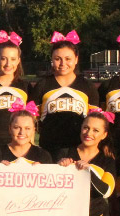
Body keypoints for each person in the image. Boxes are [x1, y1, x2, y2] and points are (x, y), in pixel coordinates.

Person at [56, 110, 116, 216]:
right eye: (86, 128)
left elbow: (106, 191)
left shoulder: (107, 160)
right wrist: (59, 168)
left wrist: (88, 171)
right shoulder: (64, 153)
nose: (89, 133)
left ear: (104, 135)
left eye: (96, 130)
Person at [30, 30, 99, 159]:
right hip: (49, 149)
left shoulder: (88, 87)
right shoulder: (42, 85)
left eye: (68, 59)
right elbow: (31, 121)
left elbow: (96, 123)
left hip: (79, 150)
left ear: (76, 59)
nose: (63, 64)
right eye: (57, 59)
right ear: (52, 60)